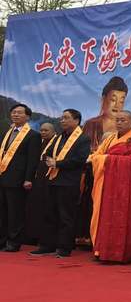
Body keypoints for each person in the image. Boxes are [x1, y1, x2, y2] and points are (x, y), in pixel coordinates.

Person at [89, 111, 131, 263]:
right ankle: (102, 251)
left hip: (127, 188)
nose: (119, 123)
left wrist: (108, 159)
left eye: (123, 120)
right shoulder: (110, 138)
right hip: (108, 185)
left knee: (123, 219)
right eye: (117, 120)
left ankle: (120, 254)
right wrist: (103, 159)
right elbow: (97, 155)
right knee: (105, 217)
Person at [30, 109, 91, 257]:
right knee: (49, 214)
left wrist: (58, 163)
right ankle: (47, 245)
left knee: (66, 216)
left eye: (66, 118)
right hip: (52, 180)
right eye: (61, 118)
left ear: (76, 121)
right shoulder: (58, 138)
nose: (62, 120)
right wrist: (50, 161)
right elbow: (47, 153)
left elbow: (79, 160)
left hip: (69, 182)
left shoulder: (83, 138)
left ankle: (64, 248)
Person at [0, 104, 41, 251]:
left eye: (19, 113)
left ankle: (14, 242)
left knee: (15, 212)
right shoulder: (7, 132)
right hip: (3, 177)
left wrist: (28, 178)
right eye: (13, 112)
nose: (15, 115)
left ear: (28, 116)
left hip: (18, 179)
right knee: (2, 212)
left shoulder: (33, 135)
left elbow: (33, 159)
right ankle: (2, 240)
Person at [23, 122, 56, 245]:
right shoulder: (39, 142)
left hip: (49, 181)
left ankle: (45, 239)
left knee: (46, 210)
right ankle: (32, 236)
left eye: (46, 130)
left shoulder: (57, 142)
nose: (43, 133)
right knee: (33, 209)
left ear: (53, 131)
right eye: (41, 130)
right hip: (36, 181)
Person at [82, 76, 128, 151]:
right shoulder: (91, 124)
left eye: (121, 102)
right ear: (103, 99)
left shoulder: (127, 127)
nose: (117, 105)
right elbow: (83, 149)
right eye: (113, 100)